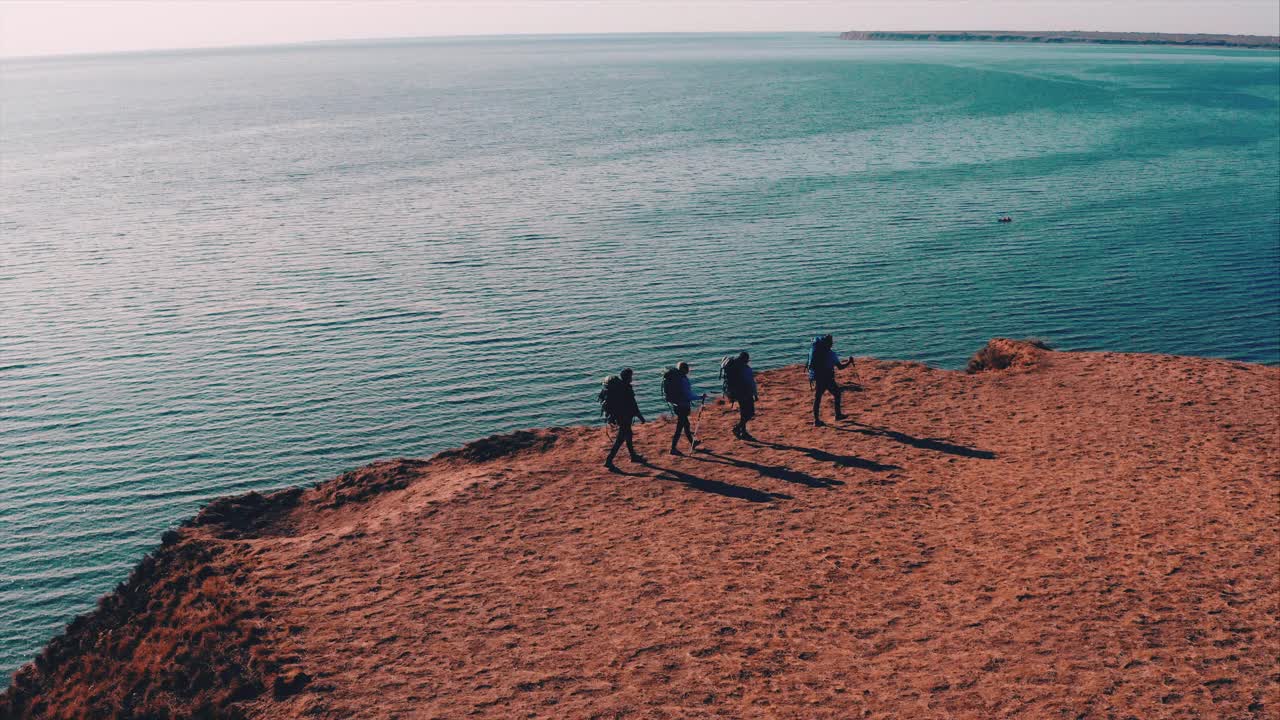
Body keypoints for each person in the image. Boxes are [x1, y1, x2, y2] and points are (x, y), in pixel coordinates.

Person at [600, 367, 646, 469]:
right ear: (628, 377)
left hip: (620, 416)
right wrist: (641, 417)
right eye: (631, 376)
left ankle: (633, 456)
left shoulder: (619, 387)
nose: (632, 378)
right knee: (620, 439)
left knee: (628, 434)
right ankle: (609, 460)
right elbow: (633, 405)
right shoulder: (627, 388)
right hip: (625, 417)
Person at [807, 334, 854, 426]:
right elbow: (840, 367)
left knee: (817, 399)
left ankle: (816, 420)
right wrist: (849, 362)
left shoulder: (816, 352)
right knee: (837, 394)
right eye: (832, 342)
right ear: (829, 344)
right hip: (828, 378)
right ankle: (838, 415)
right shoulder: (831, 354)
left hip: (818, 378)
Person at [662, 361, 705, 455]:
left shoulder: (675, 378)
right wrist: (700, 397)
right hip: (683, 406)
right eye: (687, 368)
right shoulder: (683, 380)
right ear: (684, 370)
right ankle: (673, 448)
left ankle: (692, 442)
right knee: (680, 427)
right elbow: (687, 395)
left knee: (686, 424)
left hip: (676, 405)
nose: (689, 370)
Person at [721, 351, 758, 441]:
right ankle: (738, 428)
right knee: (750, 413)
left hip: (738, 393)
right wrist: (755, 394)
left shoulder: (736, 367)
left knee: (743, 413)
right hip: (746, 393)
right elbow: (751, 383)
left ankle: (743, 431)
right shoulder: (746, 369)